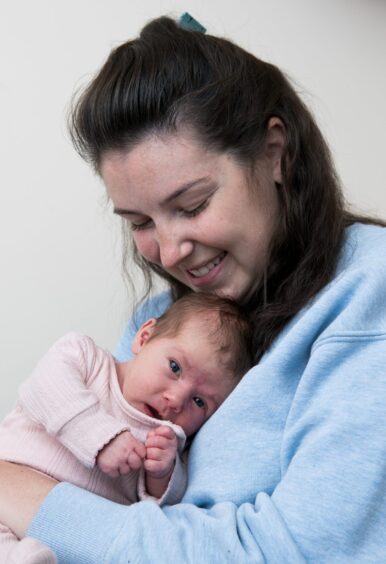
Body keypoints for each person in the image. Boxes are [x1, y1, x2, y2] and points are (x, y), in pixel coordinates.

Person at [0, 13, 386, 563]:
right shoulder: (159, 319)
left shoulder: (368, 293)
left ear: (274, 154)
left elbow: (301, 552)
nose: (171, 250)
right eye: (140, 222)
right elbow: (94, 489)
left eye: (192, 206)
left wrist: (16, 490)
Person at [0, 292, 253, 563]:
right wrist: (100, 436)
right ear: (144, 337)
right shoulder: (86, 360)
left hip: (72, 542)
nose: (176, 400)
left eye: (200, 401)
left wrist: (164, 473)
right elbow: (46, 387)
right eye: (175, 367)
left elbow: (161, 507)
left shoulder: (167, 439)